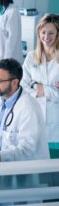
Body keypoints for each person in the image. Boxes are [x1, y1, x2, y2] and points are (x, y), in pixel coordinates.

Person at [0, 58, 49, 162]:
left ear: (14, 82)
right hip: (1, 170)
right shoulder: (0, 100)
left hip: (26, 173)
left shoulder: (28, 107)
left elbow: (27, 149)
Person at [21, 14, 59, 144]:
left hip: (56, 126)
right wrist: (39, 90)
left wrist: (40, 87)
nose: (46, 37)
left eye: (51, 33)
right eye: (43, 32)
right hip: (34, 121)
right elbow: (22, 87)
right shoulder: (31, 58)